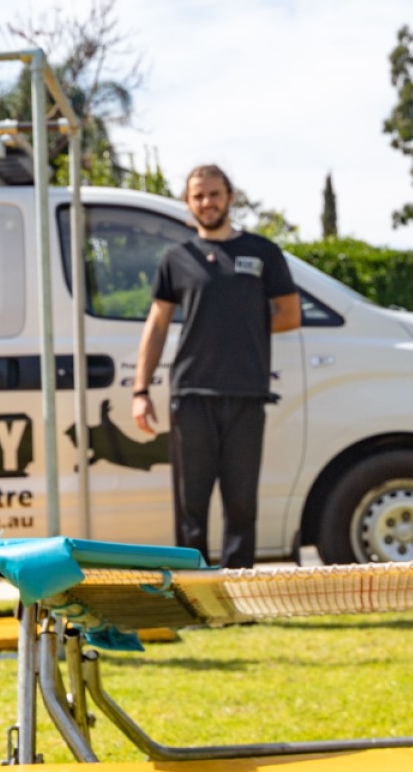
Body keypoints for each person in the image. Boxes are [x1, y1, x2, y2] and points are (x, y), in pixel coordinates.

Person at [132, 165, 301, 567]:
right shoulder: (177, 259)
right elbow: (156, 325)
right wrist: (140, 391)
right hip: (191, 395)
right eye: (198, 196)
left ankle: (237, 598)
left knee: (241, 503)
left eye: (214, 194)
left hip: (246, 393)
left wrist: (243, 327)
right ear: (189, 204)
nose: (207, 203)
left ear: (229, 196)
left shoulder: (262, 253)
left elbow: (290, 314)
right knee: (190, 505)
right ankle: (191, 596)